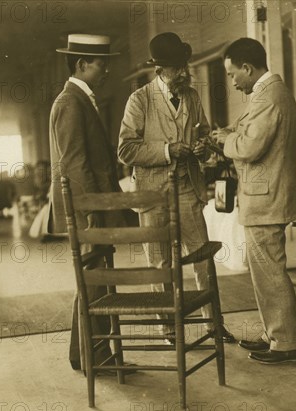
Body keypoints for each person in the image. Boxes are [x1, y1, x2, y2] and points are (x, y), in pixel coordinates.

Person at [118, 32, 235, 344]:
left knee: (202, 257)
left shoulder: (192, 97)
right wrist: (168, 150)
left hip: (187, 188)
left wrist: (202, 147)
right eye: (177, 68)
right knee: (161, 264)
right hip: (152, 194)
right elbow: (126, 150)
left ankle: (214, 324)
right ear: (160, 70)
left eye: (185, 66)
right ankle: (169, 328)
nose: (184, 73)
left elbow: (206, 134)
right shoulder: (139, 100)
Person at [212, 37, 296, 364]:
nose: (233, 81)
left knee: (270, 272)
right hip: (264, 196)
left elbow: (250, 147)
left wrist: (226, 139)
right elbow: (252, 136)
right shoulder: (267, 95)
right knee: (265, 271)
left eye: (233, 74)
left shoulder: (270, 97)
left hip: (266, 199)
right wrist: (230, 135)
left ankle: (288, 343)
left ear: (248, 68)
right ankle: (275, 333)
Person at [49, 34, 126, 371]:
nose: (106, 69)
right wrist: (93, 211)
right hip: (88, 210)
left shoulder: (81, 99)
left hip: (94, 207)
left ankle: (86, 354)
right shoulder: (70, 102)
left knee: (95, 282)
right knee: (94, 283)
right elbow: (74, 163)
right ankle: (95, 355)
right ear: (81, 65)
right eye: (101, 63)